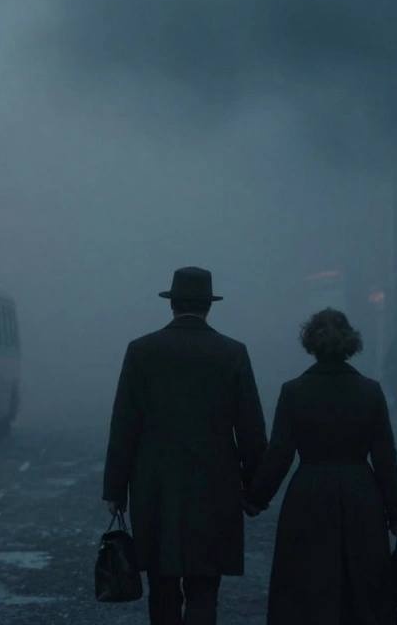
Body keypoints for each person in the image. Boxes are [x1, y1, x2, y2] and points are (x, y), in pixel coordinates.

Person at [102, 267, 268, 625]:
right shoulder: (232, 353)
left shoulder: (142, 351)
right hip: (215, 486)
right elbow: (252, 431)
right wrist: (255, 493)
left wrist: (116, 489)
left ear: (172, 304)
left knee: (162, 584)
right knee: (205, 585)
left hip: (155, 486)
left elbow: (124, 426)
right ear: (209, 306)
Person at [245, 307, 397, 625]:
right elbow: (386, 459)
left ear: (311, 343)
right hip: (361, 493)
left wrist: (255, 498)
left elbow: (279, 455)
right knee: (361, 590)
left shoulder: (293, 392)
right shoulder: (370, 392)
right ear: (349, 343)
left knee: (306, 590)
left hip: (308, 494)